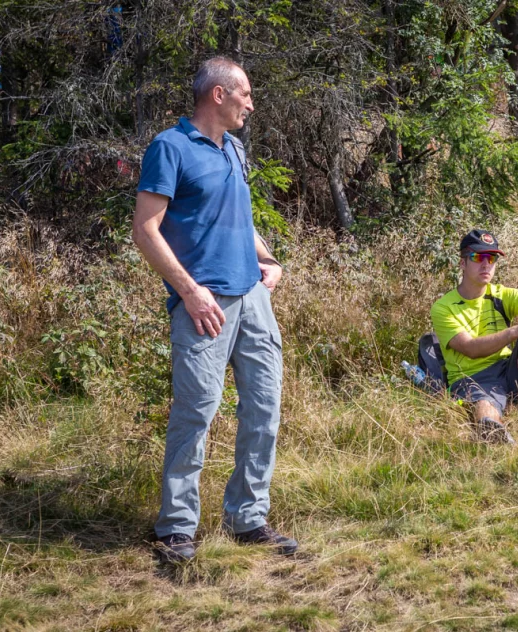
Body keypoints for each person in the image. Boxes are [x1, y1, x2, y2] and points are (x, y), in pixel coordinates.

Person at [133, 56, 297, 564]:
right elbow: (145, 230)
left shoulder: (235, 149)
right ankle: (176, 528)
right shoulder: (170, 147)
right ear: (218, 95)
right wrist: (189, 291)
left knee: (264, 409)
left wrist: (269, 261)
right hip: (203, 305)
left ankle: (247, 518)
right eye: (245, 93)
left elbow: (239, 217)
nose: (251, 104)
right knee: (196, 412)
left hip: (253, 300)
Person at [430, 230, 518, 444]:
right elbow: (470, 348)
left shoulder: (499, 293)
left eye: (491, 259)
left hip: (510, 369)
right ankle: (497, 439)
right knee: (484, 407)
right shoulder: (443, 307)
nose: (486, 264)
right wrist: (515, 332)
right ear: (462, 263)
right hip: (474, 378)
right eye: (478, 257)